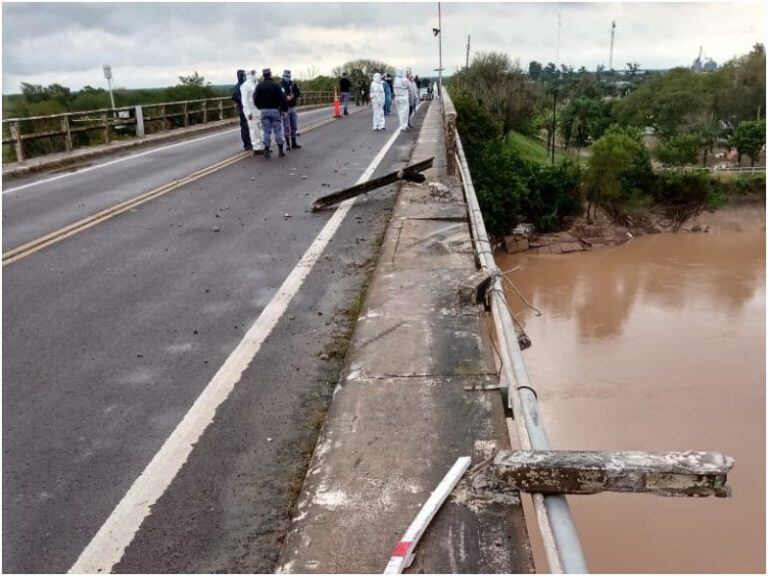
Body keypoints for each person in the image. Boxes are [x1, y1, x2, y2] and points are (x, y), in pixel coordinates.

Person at [255, 68, 286, 159]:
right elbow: (282, 98)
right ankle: (280, 150)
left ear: (263, 75)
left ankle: (267, 150)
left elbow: (255, 99)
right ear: (270, 74)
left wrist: (260, 107)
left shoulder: (259, 86)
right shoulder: (276, 85)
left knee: (266, 131)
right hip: (275, 110)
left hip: (264, 111)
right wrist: (283, 109)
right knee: (277, 130)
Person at [241, 70, 264, 154]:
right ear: (248, 75)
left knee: (261, 129)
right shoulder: (245, 85)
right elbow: (244, 101)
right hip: (251, 110)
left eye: (255, 73)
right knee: (254, 130)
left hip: (259, 110)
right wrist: (248, 113)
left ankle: (263, 146)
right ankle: (257, 148)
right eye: (252, 73)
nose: (254, 75)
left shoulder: (256, 83)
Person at [280, 69, 302, 150]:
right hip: (285, 108)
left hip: (293, 107)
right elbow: (280, 94)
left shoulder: (293, 83)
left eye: (289, 76)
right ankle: (288, 144)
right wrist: (286, 97)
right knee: (286, 126)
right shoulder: (280, 84)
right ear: (283, 76)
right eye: (286, 76)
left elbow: (298, 93)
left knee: (294, 125)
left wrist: (293, 96)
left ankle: (294, 143)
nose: (288, 77)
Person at [232, 70, 252, 151]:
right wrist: (243, 100)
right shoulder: (238, 87)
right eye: (243, 75)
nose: (244, 77)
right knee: (245, 127)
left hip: (249, 109)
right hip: (243, 109)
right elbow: (235, 97)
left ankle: (252, 142)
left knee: (252, 126)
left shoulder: (247, 85)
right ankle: (247, 144)